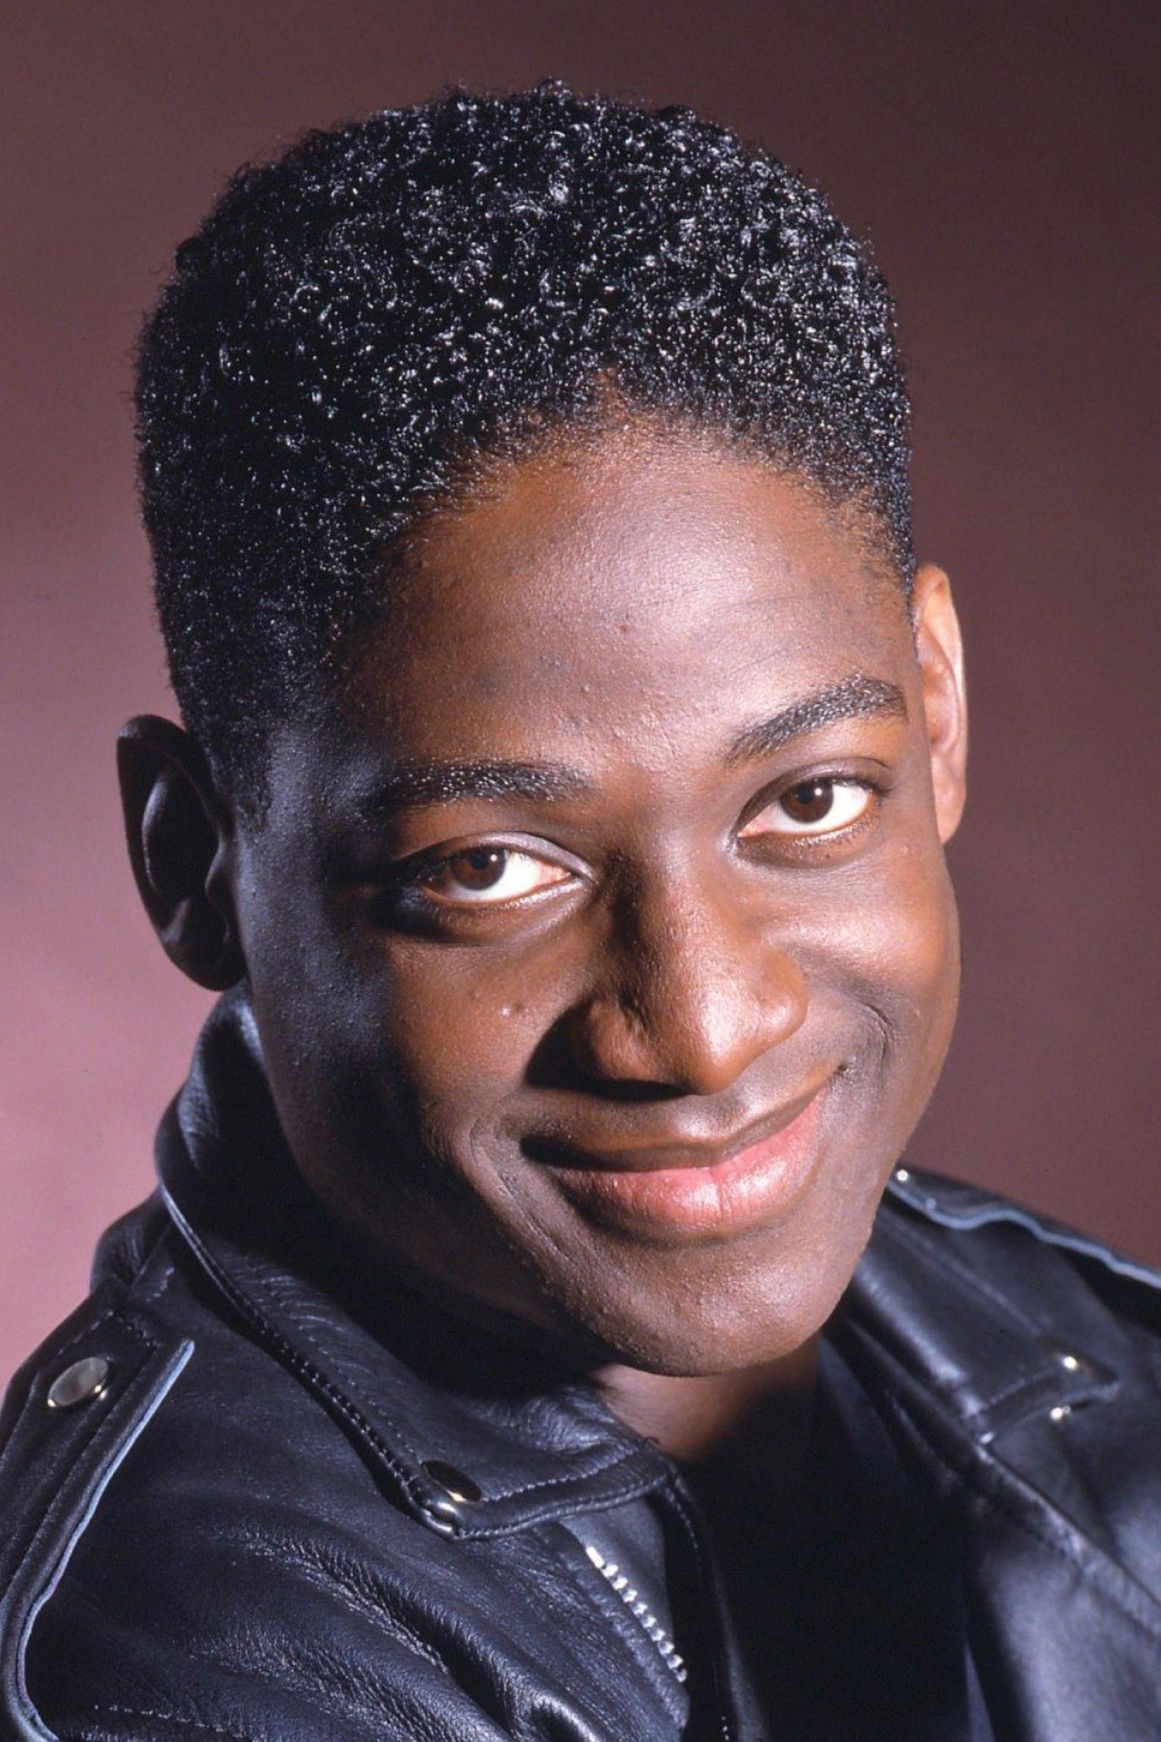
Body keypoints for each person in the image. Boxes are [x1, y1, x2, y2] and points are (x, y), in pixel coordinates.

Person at [1, 83, 1159, 1742]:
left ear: (938, 708)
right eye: (485, 867)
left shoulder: (1076, 1348)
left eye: (807, 799)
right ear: (194, 862)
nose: (702, 1025)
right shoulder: (189, 1668)